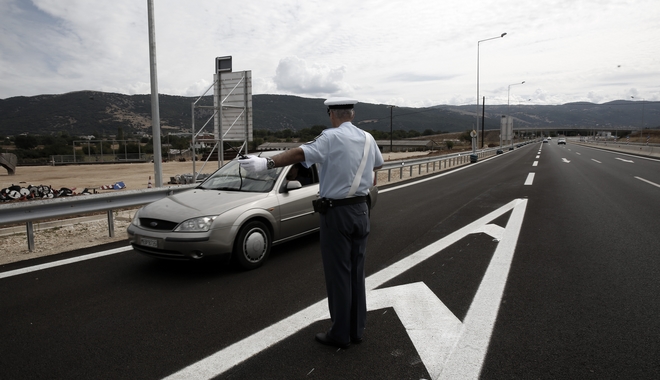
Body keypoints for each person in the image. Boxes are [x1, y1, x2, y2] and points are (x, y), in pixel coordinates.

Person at [239, 97, 384, 349]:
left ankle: (340, 334)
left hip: (337, 213)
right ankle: (356, 330)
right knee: (356, 272)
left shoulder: (330, 137)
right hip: (361, 210)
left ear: (332, 114)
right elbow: (378, 165)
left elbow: (299, 153)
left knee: (338, 274)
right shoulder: (368, 138)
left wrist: (266, 162)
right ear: (351, 114)